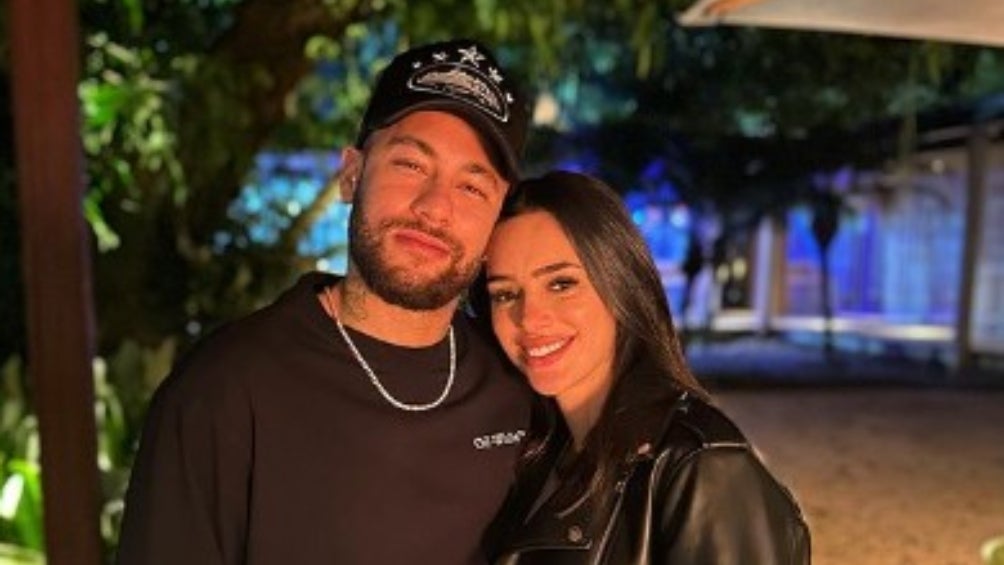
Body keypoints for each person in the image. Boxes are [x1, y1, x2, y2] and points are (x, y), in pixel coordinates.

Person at [116, 39, 534, 565]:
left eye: (472, 188)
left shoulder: (521, 384)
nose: (435, 208)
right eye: (410, 164)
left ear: (498, 218)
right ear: (351, 175)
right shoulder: (223, 392)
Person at [477, 171, 810, 564]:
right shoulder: (535, 454)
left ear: (622, 284)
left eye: (561, 284)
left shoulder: (703, 467)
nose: (529, 319)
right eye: (505, 294)